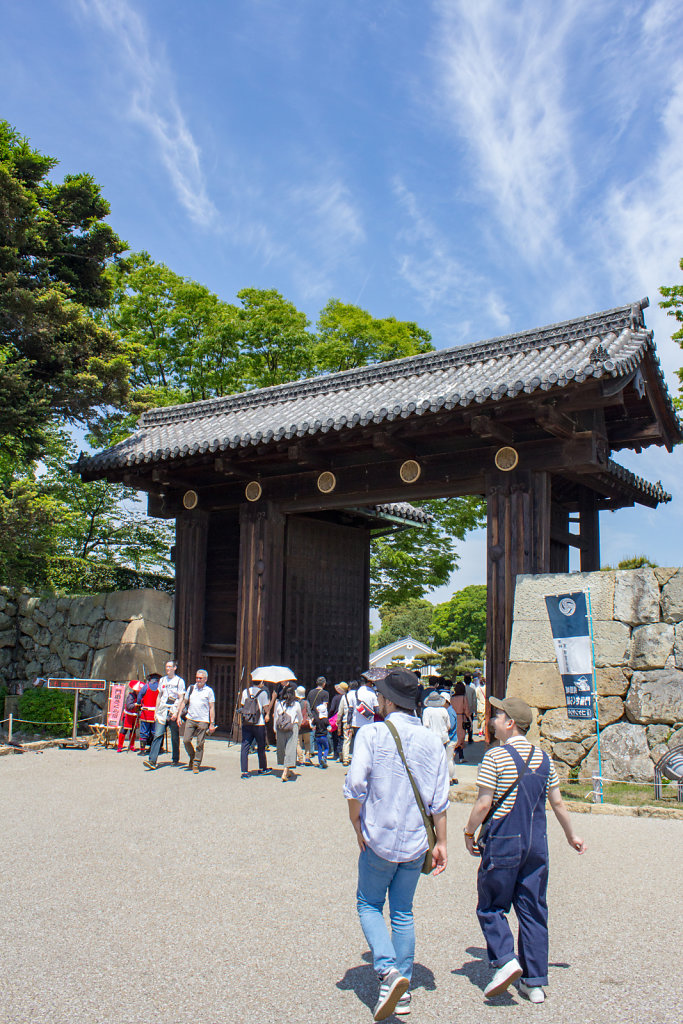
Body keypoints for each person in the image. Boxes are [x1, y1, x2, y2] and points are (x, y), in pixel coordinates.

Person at [463, 696, 586, 1003]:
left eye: (498, 715)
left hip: (504, 840)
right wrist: (572, 836)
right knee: (533, 910)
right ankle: (534, 983)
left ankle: (505, 960)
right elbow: (557, 802)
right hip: (536, 844)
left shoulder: (494, 757)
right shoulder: (544, 759)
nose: (492, 720)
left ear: (510, 724)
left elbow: (483, 803)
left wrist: (468, 831)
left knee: (491, 906)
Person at [344, 668, 449, 1021]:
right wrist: (442, 844)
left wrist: (355, 822)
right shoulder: (433, 741)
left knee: (369, 905)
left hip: (379, 836)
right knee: (403, 912)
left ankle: (388, 971)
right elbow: (439, 801)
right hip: (417, 839)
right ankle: (401, 990)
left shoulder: (371, 734)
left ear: (388, 700)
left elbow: (355, 784)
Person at [143, 660, 186, 769]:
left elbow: (181, 698)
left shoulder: (179, 681)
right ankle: (152, 760)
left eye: (170, 666)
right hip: (162, 709)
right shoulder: (162, 680)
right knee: (158, 734)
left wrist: (177, 713)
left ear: (175, 668)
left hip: (173, 710)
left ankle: (175, 758)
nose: (168, 669)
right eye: (167, 666)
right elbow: (159, 696)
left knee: (174, 736)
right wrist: (156, 711)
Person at [178, 669, 216, 774]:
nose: (198, 680)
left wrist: (211, 723)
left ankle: (196, 764)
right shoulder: (191, 688)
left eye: (200, 678)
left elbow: (212, 707)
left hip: (203, 720)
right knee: (186, 740)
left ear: (205, 679)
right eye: (197, 678)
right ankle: (192, 756)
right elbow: (184, 702)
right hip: (190, 718)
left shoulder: (209, 691)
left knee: (200, 743)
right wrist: (178, 716)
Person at [239, 676, 271, 778]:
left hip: (247, 722)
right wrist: (268, 711)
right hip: (259, 723)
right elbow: (266, 708)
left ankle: (244, 771)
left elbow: (243, 705)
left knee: (245, 746)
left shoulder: (245, 691)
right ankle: (262, 768)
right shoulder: (263, 693)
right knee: (261, 746)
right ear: (261, 682)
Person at [274, 684, 302, 782]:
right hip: (292, 726)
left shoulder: (279, 703)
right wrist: (299, 724)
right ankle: (285, 771)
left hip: (280, 727)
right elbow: (300, 716)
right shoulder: (296, 704)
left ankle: (287, 769)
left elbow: (276, 717)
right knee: (290, 748)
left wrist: (274, 729)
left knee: (281, 748)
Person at [308, 677, 331, 768]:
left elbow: (309, 705)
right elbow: (325, 705)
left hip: (313, 716)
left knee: (312, 735)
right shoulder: (325, 693)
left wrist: (310, 715)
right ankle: (328, 752)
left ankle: (311, 752)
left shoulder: (310, 692)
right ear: (324, 684)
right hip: (322, 717)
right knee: (325, 736)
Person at [137, 672, 161, 755]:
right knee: (155, 732)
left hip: (146, 713)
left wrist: (139, 704)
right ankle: (154, 749)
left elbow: (139, 697)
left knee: (144, 731)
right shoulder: (160, 688)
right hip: (156, 713)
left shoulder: (145, 687)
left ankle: (142, 750)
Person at [116, 680, 141, 752]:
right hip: (128, 716)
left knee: (133, 731)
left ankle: (132, 745)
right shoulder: (131, 696)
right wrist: (135, 704)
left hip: (134, 716)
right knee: (124, 730)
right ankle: (120, 746)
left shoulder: (139, 697)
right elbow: (128, 706)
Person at [450, 682, 470, 764]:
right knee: (461, 737)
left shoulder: (452, 697)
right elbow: (466, 709)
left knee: (455, 735)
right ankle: (459, 755)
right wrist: (469, 718)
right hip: (461, 717)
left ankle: (456, 754)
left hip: (453, 716)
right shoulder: (463, 697)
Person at [295, 685, 313, 765]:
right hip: (306, 725)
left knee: (298, 743)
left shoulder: (294, 703)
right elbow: (309, 713)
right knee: (307, 742)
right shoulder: (306, 703)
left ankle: (301, 760)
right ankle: (307, 757)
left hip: (298, 725)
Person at [329, 682, 347, 760]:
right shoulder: (347, 697)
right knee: (342, 737)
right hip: (345, 718)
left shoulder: (336, 698)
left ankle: (336, 753)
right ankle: (342, 753)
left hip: (336, 719)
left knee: (335, 737)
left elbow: (332, 709)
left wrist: (329, 716)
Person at [463, 674, 477, 743]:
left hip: (462, 709)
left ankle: (462, 736)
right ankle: (470, 737)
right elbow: (474, 700)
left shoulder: (462, 689)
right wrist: (475, 710)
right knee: (470, 723)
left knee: (463, 723)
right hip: (470, 709)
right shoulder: (472, 690)